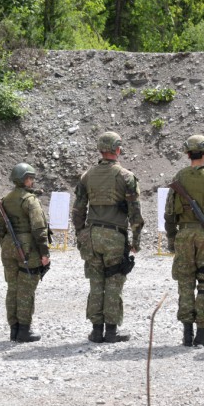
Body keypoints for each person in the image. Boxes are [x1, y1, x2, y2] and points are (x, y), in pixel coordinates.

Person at [73, 131, 144, 343]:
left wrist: (80, 234)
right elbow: (135, 212)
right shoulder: (126, 177)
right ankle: (111, 331)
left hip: (91, 235)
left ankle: (96, 331)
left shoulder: (87, 176)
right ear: (117, 149)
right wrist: (136, 241)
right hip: (115, 236)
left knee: (96, 282)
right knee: (114, 282)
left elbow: (78, 210)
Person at [164, 135, 204, 347]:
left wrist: (172, 238)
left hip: (183, 235)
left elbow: (169, 213)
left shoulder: (179, 177)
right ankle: (202, 332)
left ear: (187, 154)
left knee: (185, 282)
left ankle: (186, 333)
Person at [0, 163, 50, 343]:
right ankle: (24, 330)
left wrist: (6, 244)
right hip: (27, 249)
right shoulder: (30, 200)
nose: (32, 181)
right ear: (25, 179)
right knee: (26, 289)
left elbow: (0, 229)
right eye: (31, 178)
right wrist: (44, 253)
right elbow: (39, 228)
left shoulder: (5, 199)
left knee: (12, 288)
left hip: (8, 247)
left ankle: (14, 329)